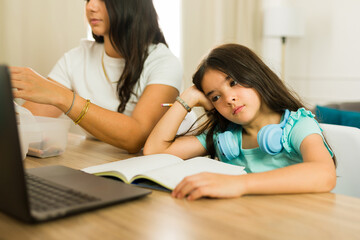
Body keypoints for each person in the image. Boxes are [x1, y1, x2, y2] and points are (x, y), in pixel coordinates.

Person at [143, 43, 337, 200]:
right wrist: (187, 98)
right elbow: (155, 151)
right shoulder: (224, 136)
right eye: (215, 97)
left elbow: (324, 175)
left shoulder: (297, 126)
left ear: (256, 75)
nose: (228, 99)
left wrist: (239, 184)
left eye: (233, 83)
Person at [10, 0, 182, 153]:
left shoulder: (164, 62)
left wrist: (61, 96)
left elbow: (135, 137)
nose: (90, 6)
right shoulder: (76, 58)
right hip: (95, 160)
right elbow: (26, 121)